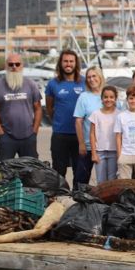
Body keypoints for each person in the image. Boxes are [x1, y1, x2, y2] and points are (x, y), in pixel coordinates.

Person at [0, 53, 42, 161]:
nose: (14, 67)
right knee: (4, 171)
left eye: (17, 64)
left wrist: (34, 131)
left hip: (28, 136)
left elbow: (38, 108)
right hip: (6, 137)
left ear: (22, 66)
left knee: (31, 171)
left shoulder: (31, 84)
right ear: (6, 66)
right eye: (11, 64)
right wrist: (0, 132)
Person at [45, 50, 86, 186]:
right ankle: (60, 197)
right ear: (60, 63)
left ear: (76, 63)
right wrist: (58, 121)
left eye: (71, 61)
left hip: (80, 135)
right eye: (65, 61)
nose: (68, 64)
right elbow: (50, 108)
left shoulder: (84, 83)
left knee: (79, 171)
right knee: (58, 171)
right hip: (60, 134)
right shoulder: (53, 84)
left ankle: (77, 199)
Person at [73, 67, 105, 183]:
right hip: (87, 146)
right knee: (81, 179)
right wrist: (81, 144)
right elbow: (78, 121)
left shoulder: (109, 95)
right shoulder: (84, 97)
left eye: (94, 76)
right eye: (89, 77)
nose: (91, 79)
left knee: (106, 181)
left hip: (105, 147)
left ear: (100, 77)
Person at [89, 85, 120, 183]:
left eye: (111, 97)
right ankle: (100, 198)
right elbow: (92, 134)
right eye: (105, 97)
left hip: (114, 151)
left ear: (115, 99)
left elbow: (121, 135)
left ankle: (112, 199)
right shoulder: (96, 114)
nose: (108, 99)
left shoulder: (119, 114)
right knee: (101, 180)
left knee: (112, 180)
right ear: (101, 98)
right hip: (99, 152)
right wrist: (93, 153)